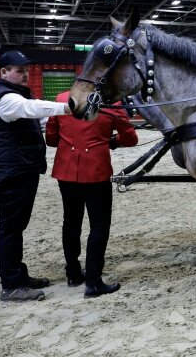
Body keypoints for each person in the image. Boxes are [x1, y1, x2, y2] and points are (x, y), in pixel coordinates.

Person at [0, 50, 71, 302]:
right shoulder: (7, 98)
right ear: (3, 72)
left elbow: (34, 111)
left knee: (15, 227)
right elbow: (31, 108)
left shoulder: (13, 95)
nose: (25, 74)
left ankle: (18, 275)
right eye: (19, 70)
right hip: (12, 172)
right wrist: (68, 107)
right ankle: (10, 285)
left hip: (18, 170)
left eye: (26, 70)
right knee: (10, 228)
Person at [45, 91, 138, 298]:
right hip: (96, 171)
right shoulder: (111, 102)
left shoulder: (61, 99)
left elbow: (51, 139)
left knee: (71, 222)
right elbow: (131, 138)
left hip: (66, 171)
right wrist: (112, 140)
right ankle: (94, 281)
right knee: (99, 225)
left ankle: (73, 274)